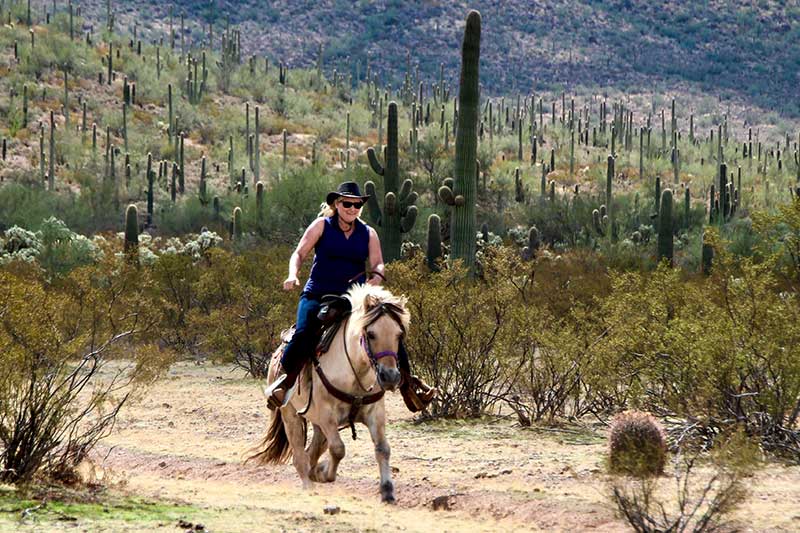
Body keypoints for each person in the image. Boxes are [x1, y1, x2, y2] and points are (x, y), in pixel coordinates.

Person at [265, 181, 435, 411]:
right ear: (336, 203)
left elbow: (378, 263)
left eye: (357, 205)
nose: (352, 209)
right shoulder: (321, 226)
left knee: (389, 328)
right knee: (305, 332)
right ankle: (284, 382)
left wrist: (376, 277)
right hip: (318, 293)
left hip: (353, 298)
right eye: (347, 204)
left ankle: (409, 387)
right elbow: (299, 252)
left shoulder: (368, 233)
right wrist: (292, 274)